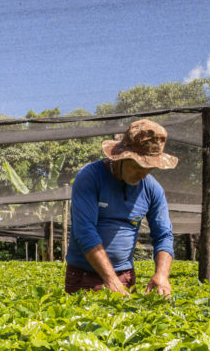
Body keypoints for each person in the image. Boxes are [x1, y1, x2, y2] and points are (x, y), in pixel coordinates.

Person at [65, 118, 176, 296]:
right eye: (138, 166)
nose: (143, 174)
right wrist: (110, 279)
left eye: (150, 168)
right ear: (121, 157)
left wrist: (162, 275)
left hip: (125, 275)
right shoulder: (90, 177)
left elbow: (163, 234)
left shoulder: (152, 188)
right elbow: (85, 231)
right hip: (84, 275)